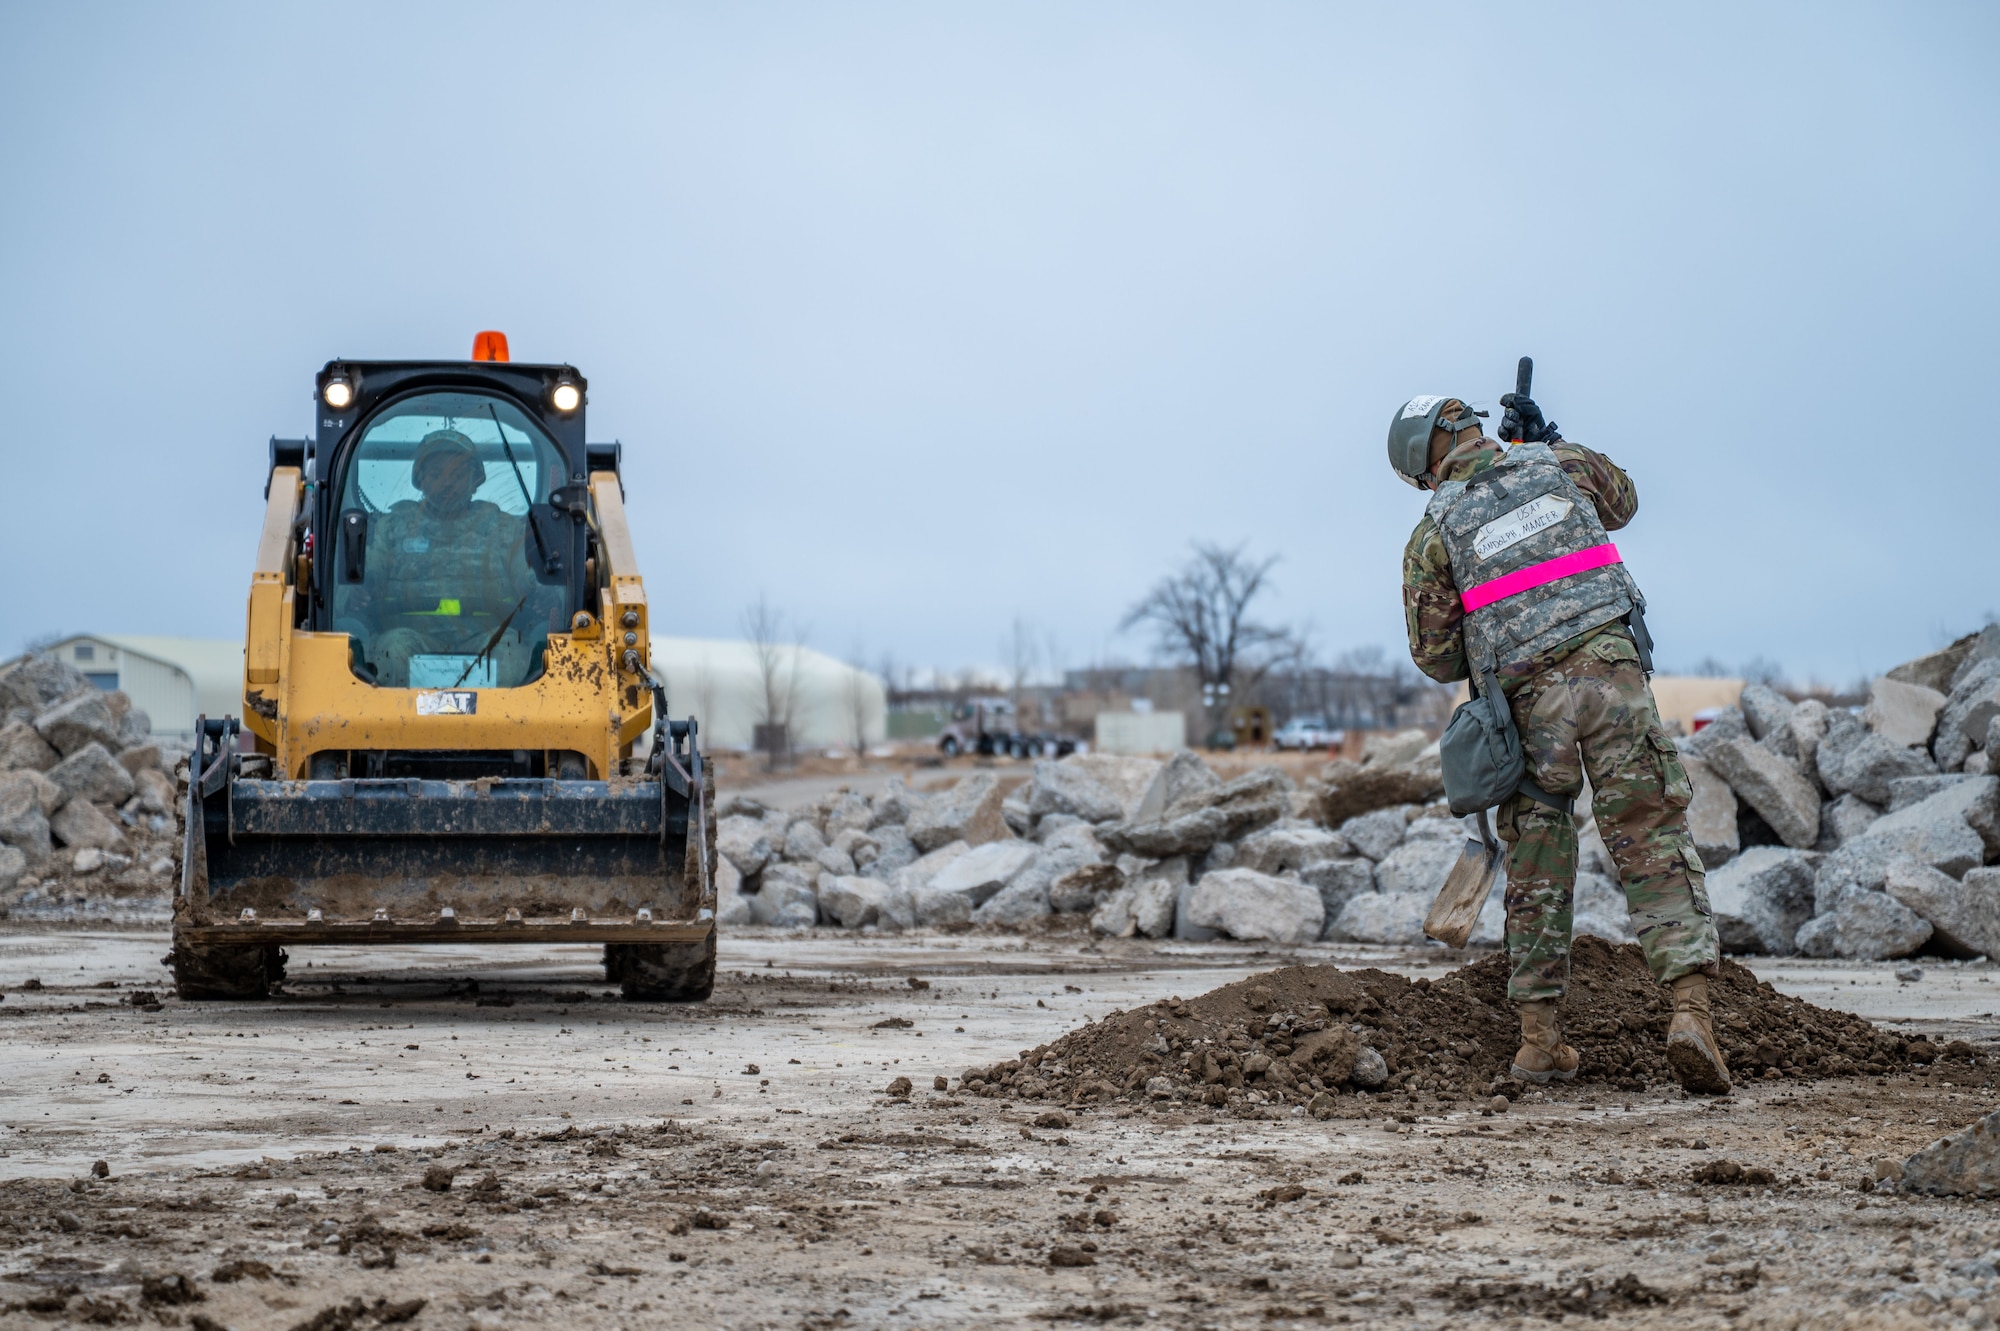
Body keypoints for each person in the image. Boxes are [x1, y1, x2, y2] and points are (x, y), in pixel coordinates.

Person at [1386, 392, 1730, 1093]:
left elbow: (1437, 654)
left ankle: (1539, 1043)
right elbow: (1623, 499)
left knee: (1538, 858)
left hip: (1528, 707)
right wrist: (1549, 439)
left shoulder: (1432, 534)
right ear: (1476, 427)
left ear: (1424, 471)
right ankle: (1691, 1013)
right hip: (1613, 677)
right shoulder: (1559, 464)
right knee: (1650, 835)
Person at [363, 429, 535, 687]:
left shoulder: (503, 529)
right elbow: (368, 570)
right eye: (436, 474)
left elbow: (527, 571)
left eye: (457, 475)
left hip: (486, 635)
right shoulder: (392, 527)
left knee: (509, 653)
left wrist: (538, 586)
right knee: (392, 652)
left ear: (474, 480)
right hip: (412, 635)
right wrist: (359, 586)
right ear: (420, 480)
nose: (447, 483)